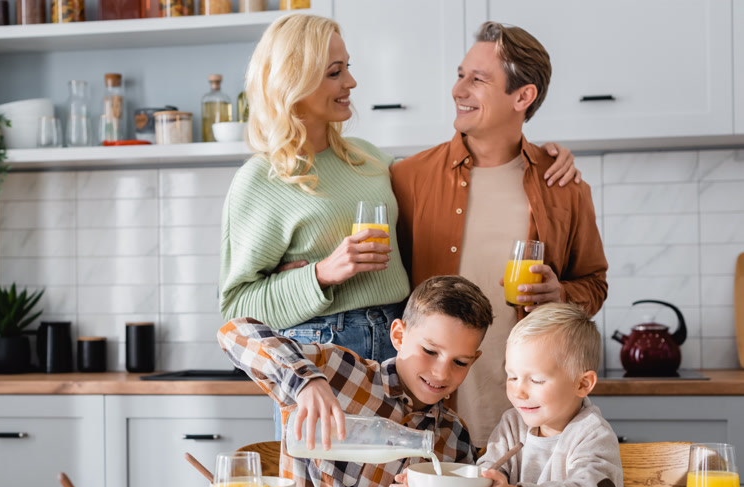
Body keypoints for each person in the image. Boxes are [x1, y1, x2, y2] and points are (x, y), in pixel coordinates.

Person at [219, 14, 580, 439]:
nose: (351, 82)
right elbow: (236, 312)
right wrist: (322, 273)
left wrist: (543, 155)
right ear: (294, 82)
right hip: (323, 356)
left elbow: (451, 172)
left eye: (348, 67)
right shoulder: (261, 180)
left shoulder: (370, 160)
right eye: (336, 72)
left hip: (402, 347)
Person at [390, 22, 609, 447]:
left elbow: (595, 284)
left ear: (522, 97)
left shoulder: (563, 185)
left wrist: (560, 295)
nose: (458, 90)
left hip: (532, 416)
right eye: (459, 75)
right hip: (430, 414)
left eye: (477, 79)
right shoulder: (408, 177)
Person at [217, 275, 493, 487]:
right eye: (430, 351)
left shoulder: (454, 439)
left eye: (460, 362)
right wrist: (306, 382)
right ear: (398, 335)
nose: (441, 373)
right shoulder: (336, 372)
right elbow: (234, 332)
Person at [393, 304, 623, 487]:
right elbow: (487, 476)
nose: (518, 392)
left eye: (536, 380)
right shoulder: (513, 424)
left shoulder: (592, 434)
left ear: (583, 384)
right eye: (512, 377)